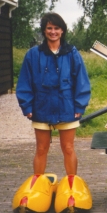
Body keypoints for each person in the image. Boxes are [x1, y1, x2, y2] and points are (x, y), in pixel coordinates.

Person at [16, 12, 91, 176]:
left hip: (67, 107)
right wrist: (26, 106)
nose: (53, 32)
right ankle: (37, 186)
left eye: (56, 28)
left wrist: (80, 105)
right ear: (44, 31)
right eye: (49, 28)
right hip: (41, 108)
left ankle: (72, 185)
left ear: (62, 31)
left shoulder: (72, 53)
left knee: (68, 148)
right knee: (41, 149)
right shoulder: (33, 54)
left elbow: (82, 80)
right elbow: (24, 82)